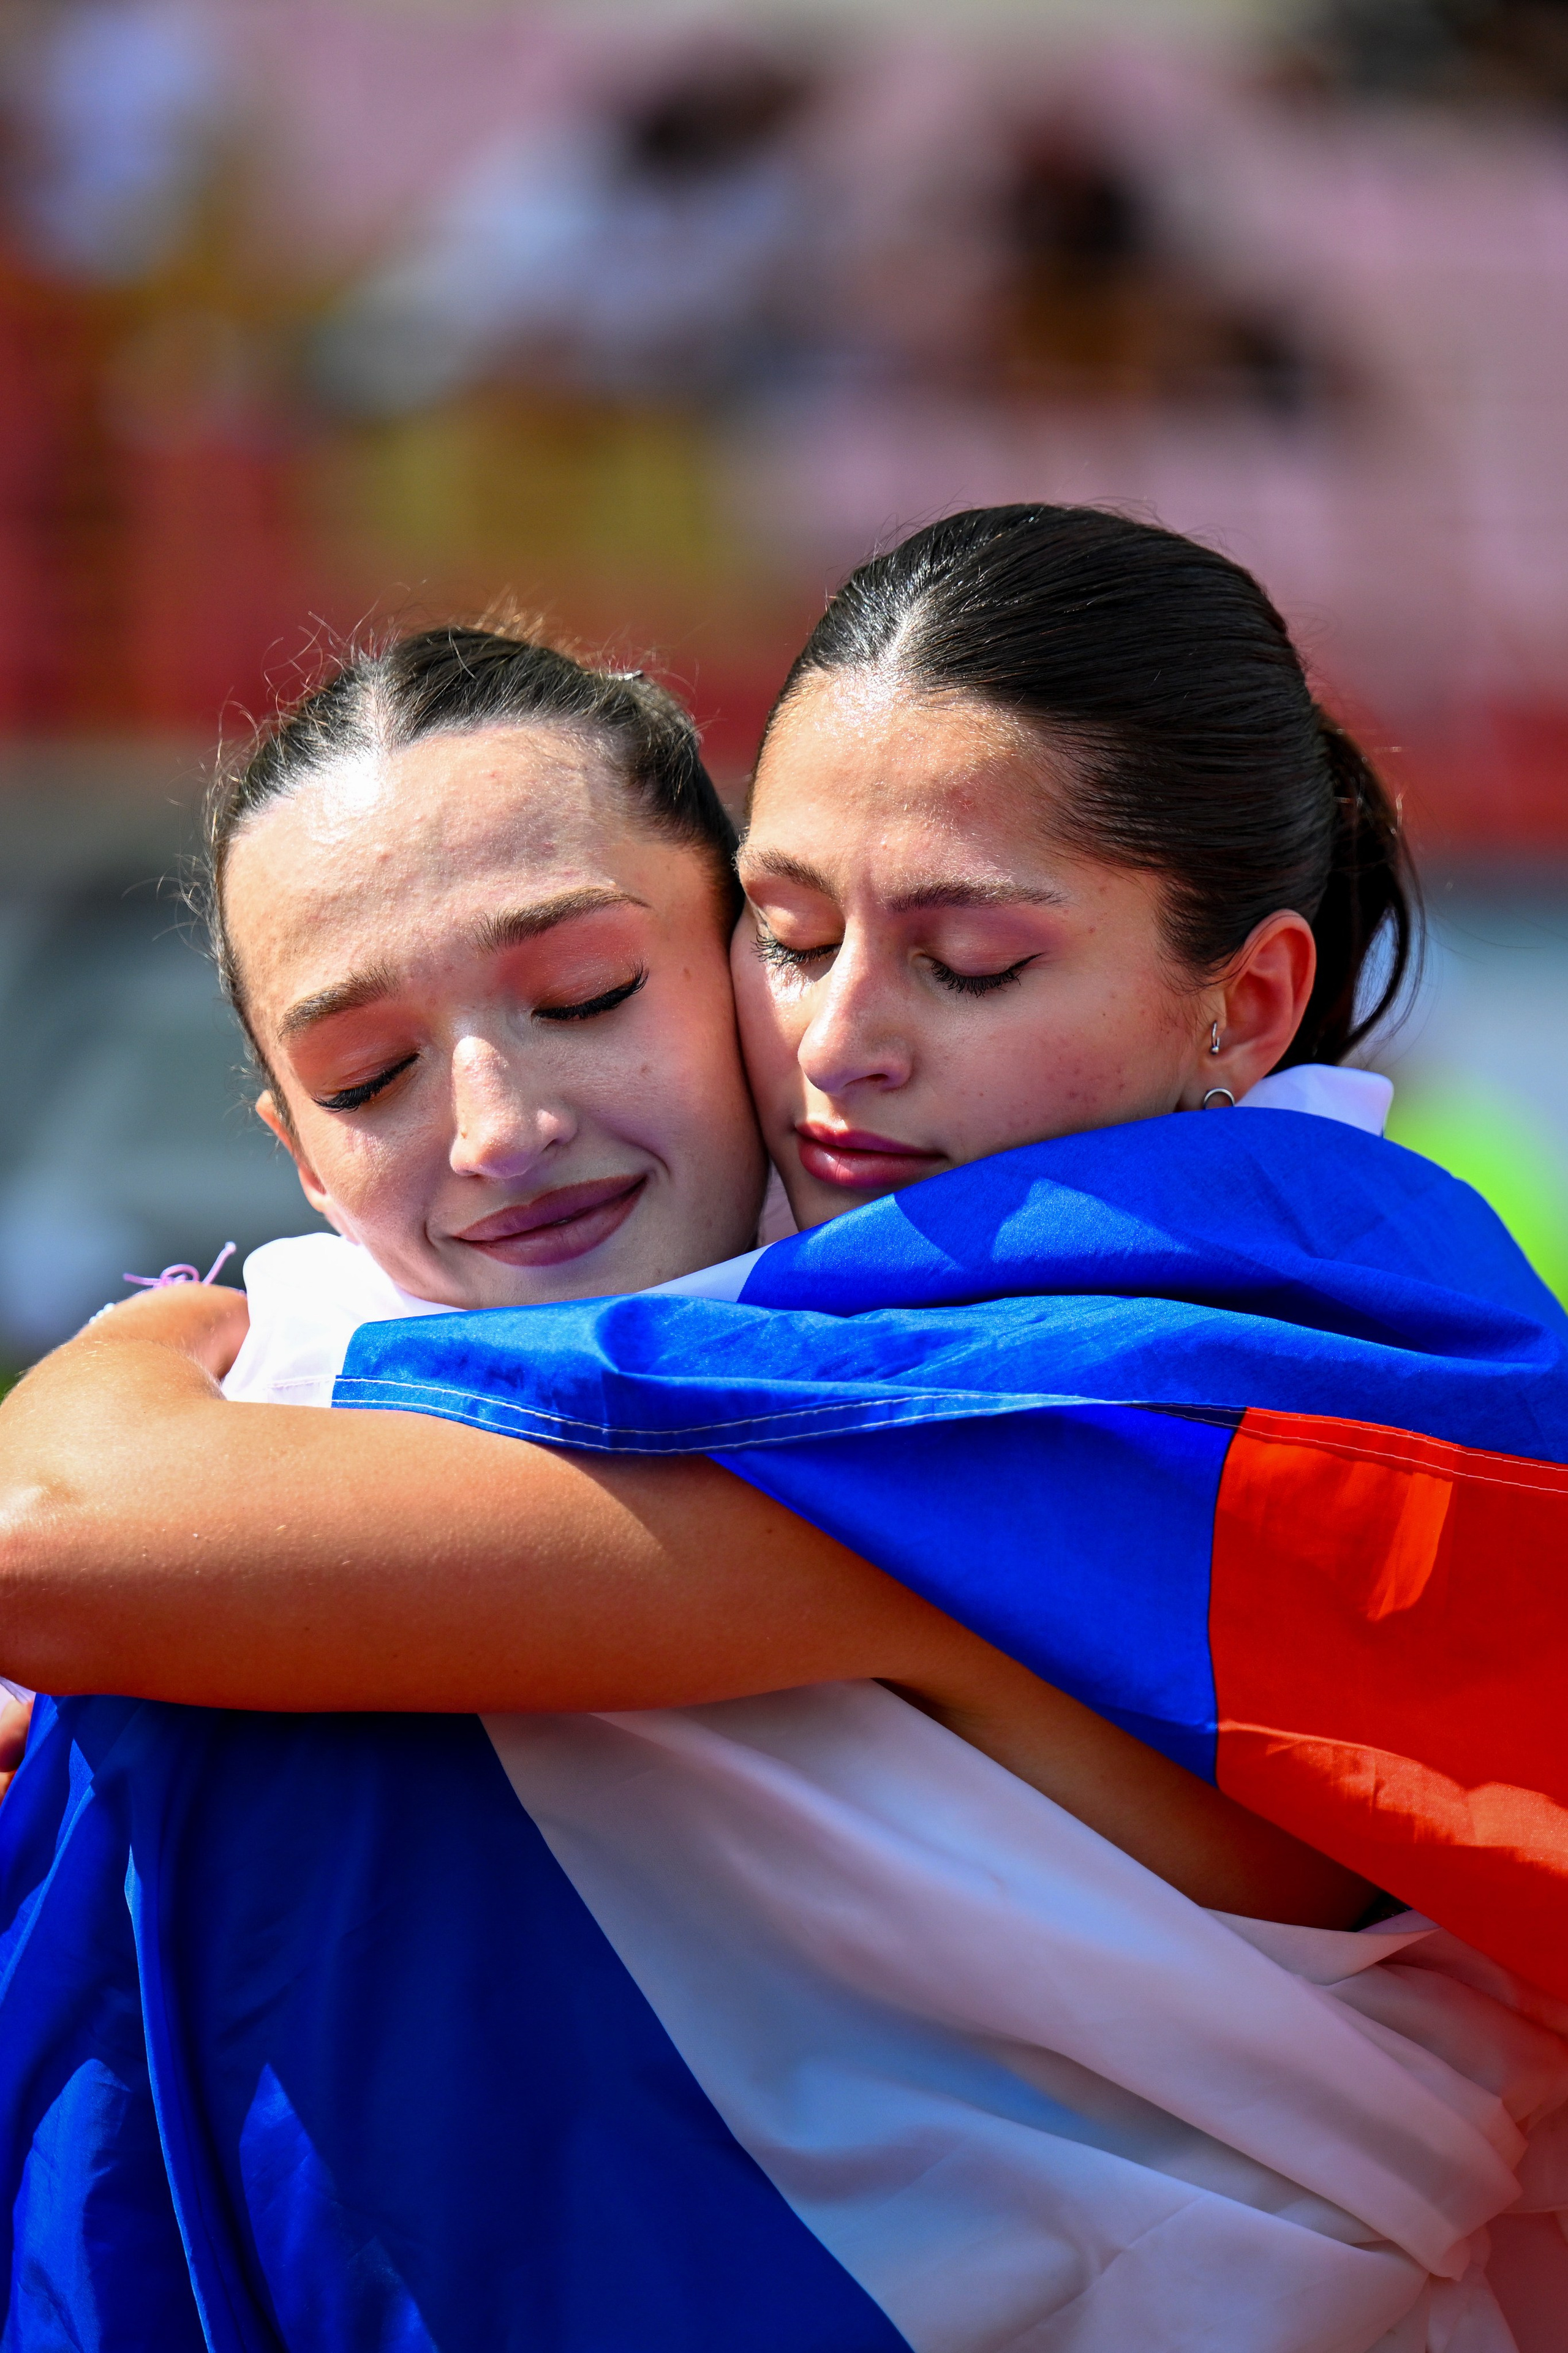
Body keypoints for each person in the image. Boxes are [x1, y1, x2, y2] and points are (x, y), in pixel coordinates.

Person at [2, 506, 1567, 2351]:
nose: (839, 1042)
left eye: (969, 961)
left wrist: (183, 1324)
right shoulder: (779, 1337)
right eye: (790, 932)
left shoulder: (1090, 1389)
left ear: (1247, 1000)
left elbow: (51, 1536)